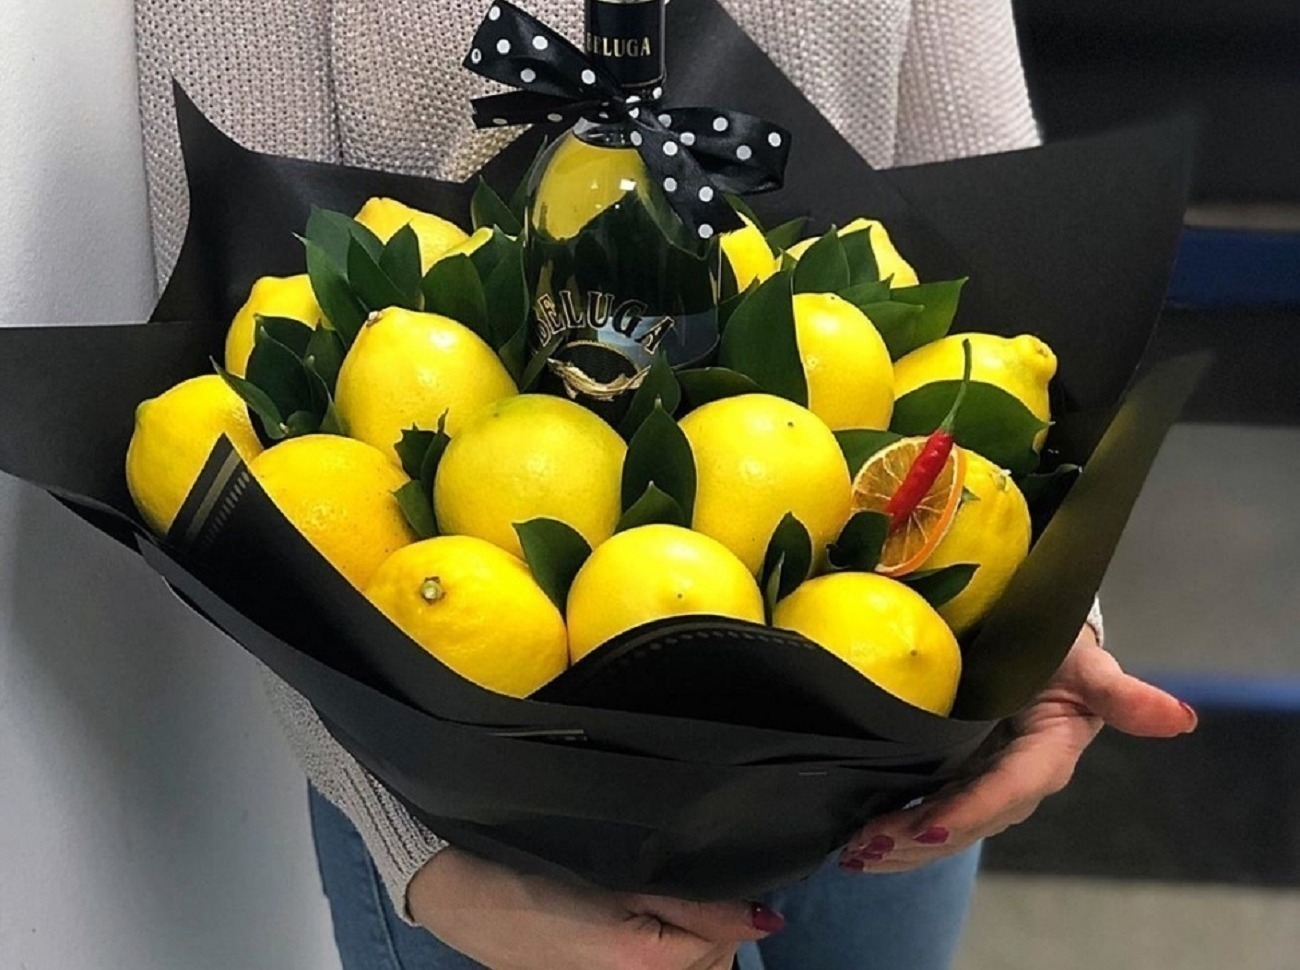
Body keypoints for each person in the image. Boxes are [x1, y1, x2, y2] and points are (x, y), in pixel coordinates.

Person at [133, 0, 1199, 967]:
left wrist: (1040, 621)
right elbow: (245, 418)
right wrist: (420, 852)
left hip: (888, 719)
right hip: (490, 818)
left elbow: (1007, 259)